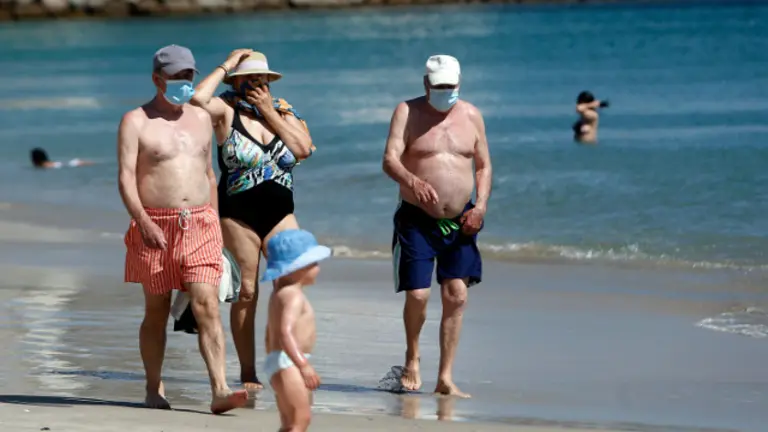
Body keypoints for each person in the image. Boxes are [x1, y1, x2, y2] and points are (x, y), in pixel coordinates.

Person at [117, 44, 247, 414]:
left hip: (202, 224)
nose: (184, 82)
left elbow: (209, 175)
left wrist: (217, 232)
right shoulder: (136, 121)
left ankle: (220, 388)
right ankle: (153, 388)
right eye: (176, 77)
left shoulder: (202, 118)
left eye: (189, 75)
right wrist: (142, 221)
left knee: (207, 304)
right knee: (157, 310)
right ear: (157, 79)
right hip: (154, 225)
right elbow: (126, 177)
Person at [191, 49, 314, 389]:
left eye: (260, 78)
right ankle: (248, 372)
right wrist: (227, 65)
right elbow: (197, 100)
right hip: (238, 214)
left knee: (292, 285)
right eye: (247, 77)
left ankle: (287, 361)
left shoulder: (284, 112)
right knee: (246, 292)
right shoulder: (225, 109)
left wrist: (268, 112)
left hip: (281, 213)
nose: (254, 83)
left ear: (269, 81)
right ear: (237, 80)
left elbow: (303, 149)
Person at [382, 54, 492, 398]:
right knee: (418, 294)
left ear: (459, 83)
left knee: (456, 295)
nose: (446, 91)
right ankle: (412, 357)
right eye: (440, 86)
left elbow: (483, 166)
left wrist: (481, 207)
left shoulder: (471, 115)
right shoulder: (408, 111)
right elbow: (389, 159)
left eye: (451, 86)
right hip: (416, 218)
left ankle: (445, 377)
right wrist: (413, 182)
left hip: (460, 221)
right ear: (426, 84)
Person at [262, 229, 330, 432]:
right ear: (297, 267)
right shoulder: (293, 296)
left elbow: (269, 333)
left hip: (280, 361)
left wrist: (273, 361)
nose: (317, 268)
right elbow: (285, 332)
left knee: (289, 422)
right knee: (301, 420)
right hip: (290, 362)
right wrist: (303, 365)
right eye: (314, 263)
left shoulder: (279, 294)